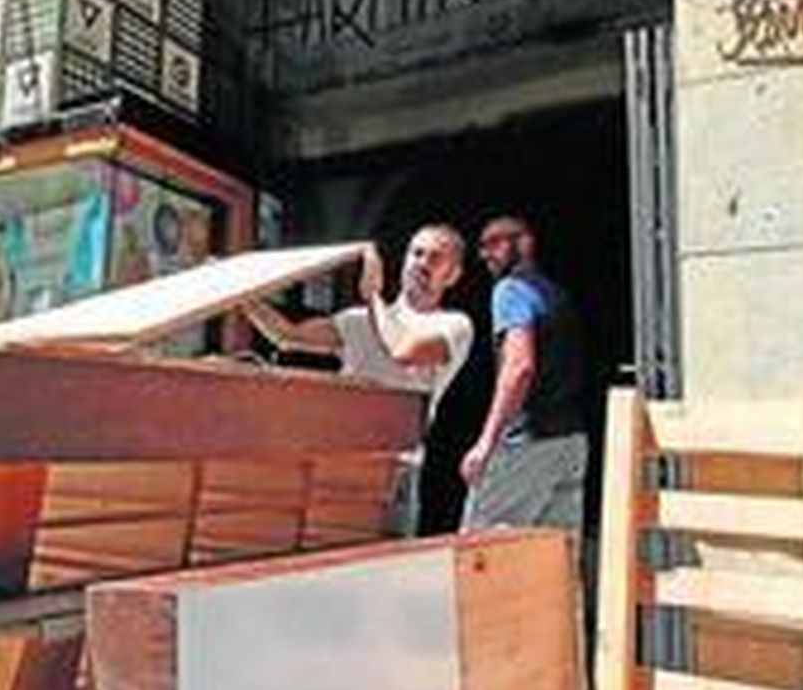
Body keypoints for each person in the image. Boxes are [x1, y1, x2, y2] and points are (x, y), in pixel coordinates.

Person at [242, 225, 474, 535]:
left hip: (395, 469)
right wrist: (237, 294)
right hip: (339, 461)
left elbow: (402, 350)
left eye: (436, 257)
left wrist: (374, 297)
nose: (422, 263)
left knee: (384, 558)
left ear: (453, 275)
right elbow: (286, 336)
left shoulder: (453, 325)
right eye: (417, 253)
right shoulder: (357, 320)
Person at [461, 215, 587, 532]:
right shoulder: (558, 295)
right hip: (570, 442)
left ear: (525, 243)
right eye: (482, 246)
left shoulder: (511, 290)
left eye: (495, 243)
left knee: (485, 549)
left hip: (525, 444)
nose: (485, 254)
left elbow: (519, 367)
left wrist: (486, 442)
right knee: (555, 551)